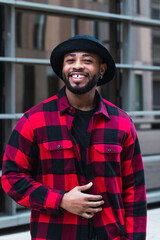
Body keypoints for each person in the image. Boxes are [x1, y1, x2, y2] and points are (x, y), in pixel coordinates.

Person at [1, 35, 147, 240]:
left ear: (101, 69)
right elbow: (12, 178)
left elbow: (135, 191)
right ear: (63, 69)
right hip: (55, 234)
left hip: (110, 234)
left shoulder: (122, 123)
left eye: (87, 60)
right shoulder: (35, 120)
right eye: (70, 60)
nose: (77, 66)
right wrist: (61, 200)